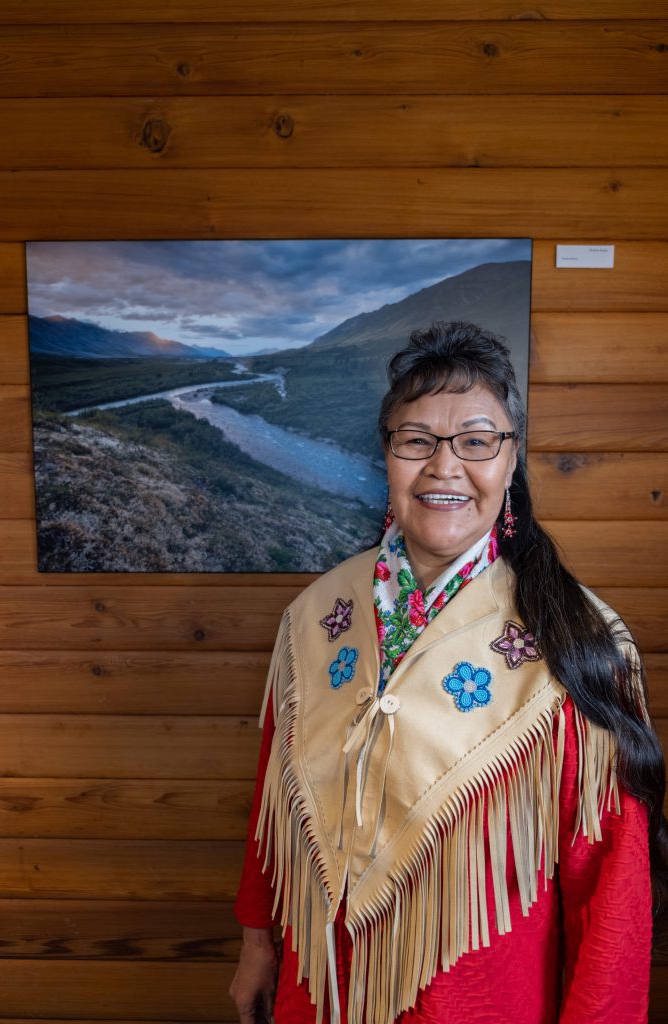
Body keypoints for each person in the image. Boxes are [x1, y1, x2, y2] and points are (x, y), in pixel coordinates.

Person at [230, 321, 666, 1024]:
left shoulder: (575, 639)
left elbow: (611, 886)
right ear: (387, 456)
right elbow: (272, 802)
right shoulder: (315, 615)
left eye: (474, 440)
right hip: (318, 988)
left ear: (508, 457)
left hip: (481, 998)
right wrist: (257, 942)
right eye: (416, 441)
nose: (443, 466)